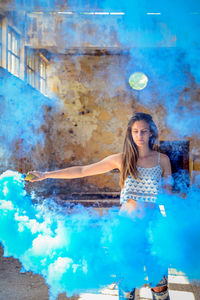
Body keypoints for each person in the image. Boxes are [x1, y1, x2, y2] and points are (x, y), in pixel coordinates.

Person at [28, 112, 172, 300]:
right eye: (135, 131)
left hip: (154, 228)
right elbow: (82, 170)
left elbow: (170, 198)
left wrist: (174, 228)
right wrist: (46, 174)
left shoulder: (163, 160)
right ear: (130, 134)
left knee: (159, 288)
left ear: (151, 133)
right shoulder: (121, 159)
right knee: (127, 289)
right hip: (126, 227)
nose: (140, 136)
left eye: (144, 131)